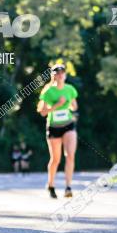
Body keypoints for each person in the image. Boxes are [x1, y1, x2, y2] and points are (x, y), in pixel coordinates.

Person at [37, 63, 79, 198]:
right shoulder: (48, 91)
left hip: (68, 125)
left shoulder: (70, 89)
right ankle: (51, 185)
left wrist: (71, 107)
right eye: (57, 73)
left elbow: (74, 106)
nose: (60, 75)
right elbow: (42, 112)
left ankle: (68, 187)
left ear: (65, 75)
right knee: (56, 159)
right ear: (53, 76)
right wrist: (57, 105)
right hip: (54, 126)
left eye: (62, 73)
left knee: (70, 155)